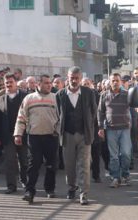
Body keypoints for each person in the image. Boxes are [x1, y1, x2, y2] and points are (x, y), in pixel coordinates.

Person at [14, 74, 60, 203]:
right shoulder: (29, 98)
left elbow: (61, 118)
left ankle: (50, 189)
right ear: (38, 84)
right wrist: (18, 134)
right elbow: (21, 117)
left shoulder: (56, 98)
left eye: (50, 83)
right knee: (33, 165)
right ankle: (29, 191)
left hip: (51, 136)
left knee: (51, 164)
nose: (49, 85)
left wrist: (58, 131)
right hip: (34, 137)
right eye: (46, 83)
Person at [56, 66, 97, 205]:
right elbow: (58, 114)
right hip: (67, 134)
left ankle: (83, 193)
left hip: (84, 134)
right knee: (69, 165)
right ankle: (71, 187)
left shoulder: (88, 93)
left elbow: (93, 112)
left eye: (77, 78)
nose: (74, 80)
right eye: (71, 78)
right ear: (67, 77)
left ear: (80, 78)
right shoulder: (60, 94)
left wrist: (88, 128)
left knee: (84, 165)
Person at [0, 73, 28, 194]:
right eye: (6, 83)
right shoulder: (1, 99)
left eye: (11, 82)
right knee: (10, 162)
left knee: (24, 160)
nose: (9, 85)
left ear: (16, 83)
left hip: (23, 134)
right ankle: (11, 185)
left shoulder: (25, 97)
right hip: (7, 135)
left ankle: (25, 181)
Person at [98, 73, 133, 188]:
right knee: (113, 156)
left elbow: (134, 105)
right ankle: (115, 178)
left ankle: (125, 174)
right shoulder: (104, 95)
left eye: (117, 80)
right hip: (111, 129)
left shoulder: (126, 95)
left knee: (126, 154)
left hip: (124, 129)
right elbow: (100, 112)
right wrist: (100, 127)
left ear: (120, 82)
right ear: (110, 81)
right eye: (113, 80)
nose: (115, 82)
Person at [80, 77, 102, 183]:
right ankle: (84, 175)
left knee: (95, 153)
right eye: (83, 84)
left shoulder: (97, 95)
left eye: (87, 84)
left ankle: (96, 175)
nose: (85, 86)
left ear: (91, 85)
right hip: (82, 129)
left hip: (94, 128)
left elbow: (99, 111)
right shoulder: (78, 96)